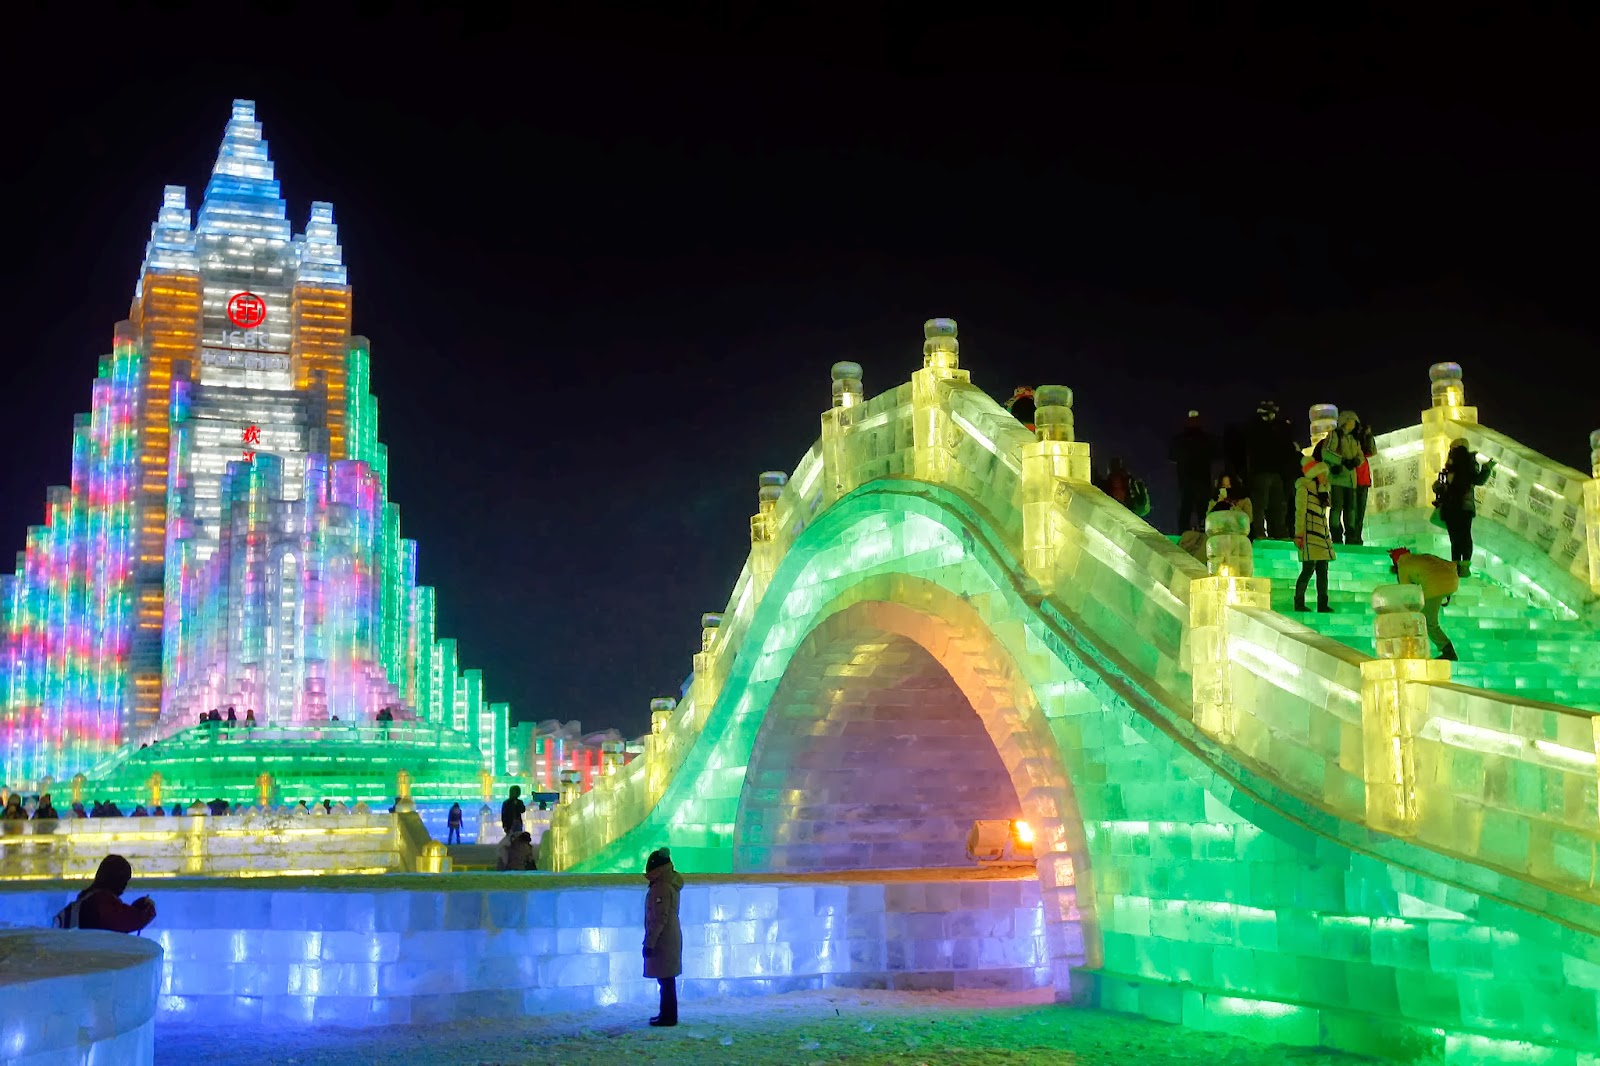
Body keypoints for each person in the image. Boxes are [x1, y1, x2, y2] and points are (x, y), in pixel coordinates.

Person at [1434, 439, 1497, 577]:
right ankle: (1461, 567)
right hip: (1460, 507)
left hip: (1455, 507)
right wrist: (1487, 468)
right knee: (1462, 537)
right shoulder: (1464, 465)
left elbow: (1476, 480)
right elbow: (1478, 480)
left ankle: (1458, 567)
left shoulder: (1459, 466)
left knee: (1458, 538)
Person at [54, 855, 157, 934]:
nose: (124, 886)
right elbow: (123, 921)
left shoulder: (86, 899)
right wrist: (146, 910)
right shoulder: (101, 900)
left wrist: (136, 908)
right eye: (123, 880)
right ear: (113, 878)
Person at [1390, 548, 1461, 660]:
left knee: (1427, 621)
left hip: (1435, 585)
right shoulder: (1424, 556)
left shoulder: (1402, 565)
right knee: (1427, 615)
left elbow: (1406, 590)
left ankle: (1448, 651)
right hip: (1453, 582)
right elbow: (1451, 565)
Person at [642, 846, 684, 1027]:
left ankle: (668, 1017)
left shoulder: (661, 887)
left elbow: (659, 918)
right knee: (667, 979)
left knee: (666, 980)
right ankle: (667, 1014)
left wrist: (650, 943)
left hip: (663, 939)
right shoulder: (669, 884)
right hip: (670, 935)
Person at [1243, 400, 1295, 540]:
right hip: (1261, 471)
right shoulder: (1256, 428)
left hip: (1276, 472)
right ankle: (1260, 532)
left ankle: (1279, 532)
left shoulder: (1277, 428)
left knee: (1278, 505)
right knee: (1261, 504)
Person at [1293, 455, 1336, 613]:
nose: (1325, 477)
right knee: (1308, 569)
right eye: (1322, 473)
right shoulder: (1304, 488)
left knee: (1323, 572)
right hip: (1309, 535)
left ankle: (1322, 604)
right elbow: (1300, 512)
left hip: (1321, 536)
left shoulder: (1322, 491)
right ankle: (1299, 602)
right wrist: (1298, 534)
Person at [1169, 410, 1218, 533]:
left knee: (1187, 507)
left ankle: (1184, 531)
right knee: (1201, 508)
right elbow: (1216, 455)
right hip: (1202, 479)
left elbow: (1172, 457)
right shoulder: (1207, 439)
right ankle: (1204, 530)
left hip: (1187, 480)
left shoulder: (1180, 440)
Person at [1322, 414, 1365, 544]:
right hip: (1337, 479)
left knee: (1351, 509)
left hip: (1351, 480)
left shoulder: (1354, 439)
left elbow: (1361, 456)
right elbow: (1326, 452)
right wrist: (1342, 460)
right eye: (1351, 422)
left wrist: (1356, 461)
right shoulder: (1334, 435)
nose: (1352, 425)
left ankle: (1351, 535)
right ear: (1344, 422)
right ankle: (1336, 536)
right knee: (1337, 508)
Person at [1347, 413, 1377, 544]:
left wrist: (1368, 435)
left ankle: (1357, 537)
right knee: (1352, 511)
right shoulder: (1349, 440)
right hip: (1353, 480)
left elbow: (1372, 451)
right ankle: (1351, 536)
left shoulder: (1363, 441)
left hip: (1363, 480)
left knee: (1360, 512)